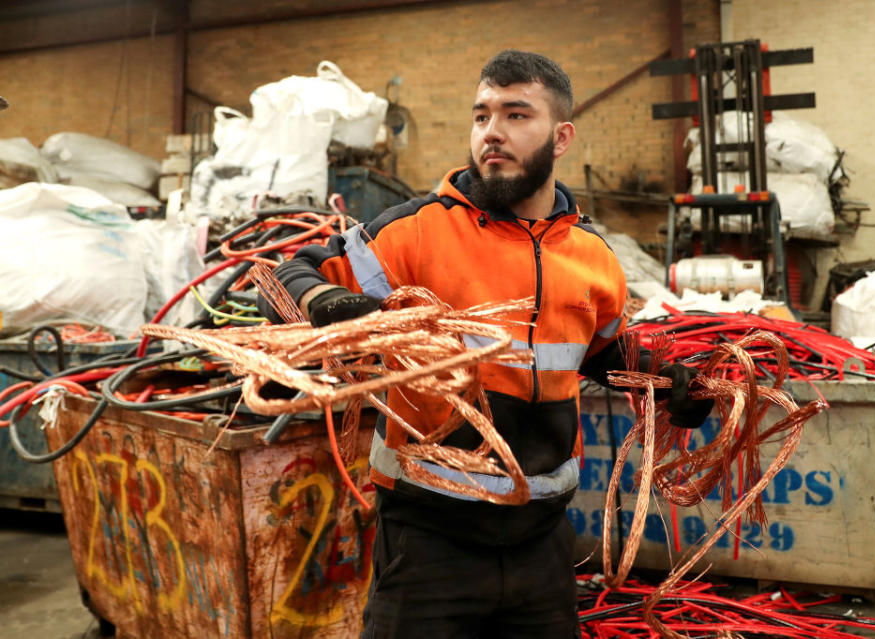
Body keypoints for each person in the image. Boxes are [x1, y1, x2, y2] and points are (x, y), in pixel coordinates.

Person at [259, 49, 711, 639]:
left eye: (517, 115)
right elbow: (282, 280)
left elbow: (600, 350)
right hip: (428, 547)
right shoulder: (415, 233)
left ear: (562, 136)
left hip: (543, 548)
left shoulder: (593, 258)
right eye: (481, 116)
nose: (492, 133)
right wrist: (326, 303)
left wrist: (664, 382)